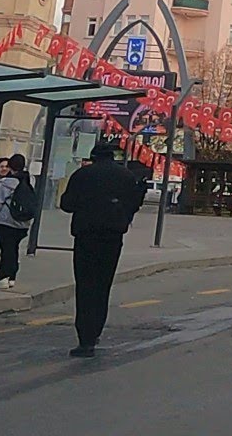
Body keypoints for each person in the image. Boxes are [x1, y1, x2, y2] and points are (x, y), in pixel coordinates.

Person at [59, 141, 146, 358]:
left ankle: (85, 338)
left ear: (93, 156)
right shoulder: (126, 176)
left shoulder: (82, 175)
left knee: (85, 285)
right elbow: (134, 203)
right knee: (102, 284)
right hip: (112, 236)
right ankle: (95, 330)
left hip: (86, 235)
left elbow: (67, 204)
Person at [0, 154, 32, 289]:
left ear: (10, 166)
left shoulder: (5, 182)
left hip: (7, 221)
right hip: (23, 222)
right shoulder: (29, 180)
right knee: (14, 248)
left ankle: (3, 278)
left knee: (6, 250)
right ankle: (12, 277)